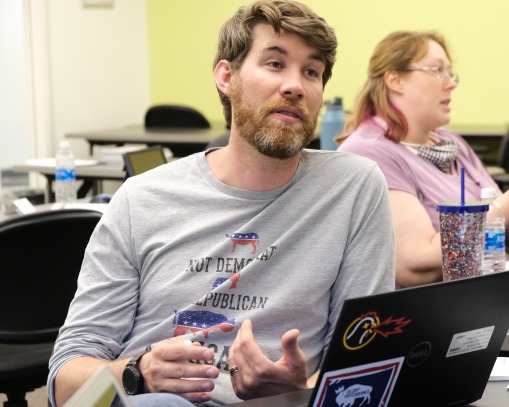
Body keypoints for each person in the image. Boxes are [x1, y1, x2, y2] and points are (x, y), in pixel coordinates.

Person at [47, 1, 395, 406]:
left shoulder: (353, 187)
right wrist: (136, 372)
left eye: (311, 72)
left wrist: (298, 391)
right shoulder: (140, 200)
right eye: (275, 64)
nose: (295, 85)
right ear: (226, 77)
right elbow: (63, 383)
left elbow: (366, 358)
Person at [336, 30, 509, 288]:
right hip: (445, 308)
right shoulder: (369, 152)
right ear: (394, 79)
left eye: (450, 73)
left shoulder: (451, 143)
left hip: (498, 287)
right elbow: (416, 263)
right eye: (436, 70)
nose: (450, 83)